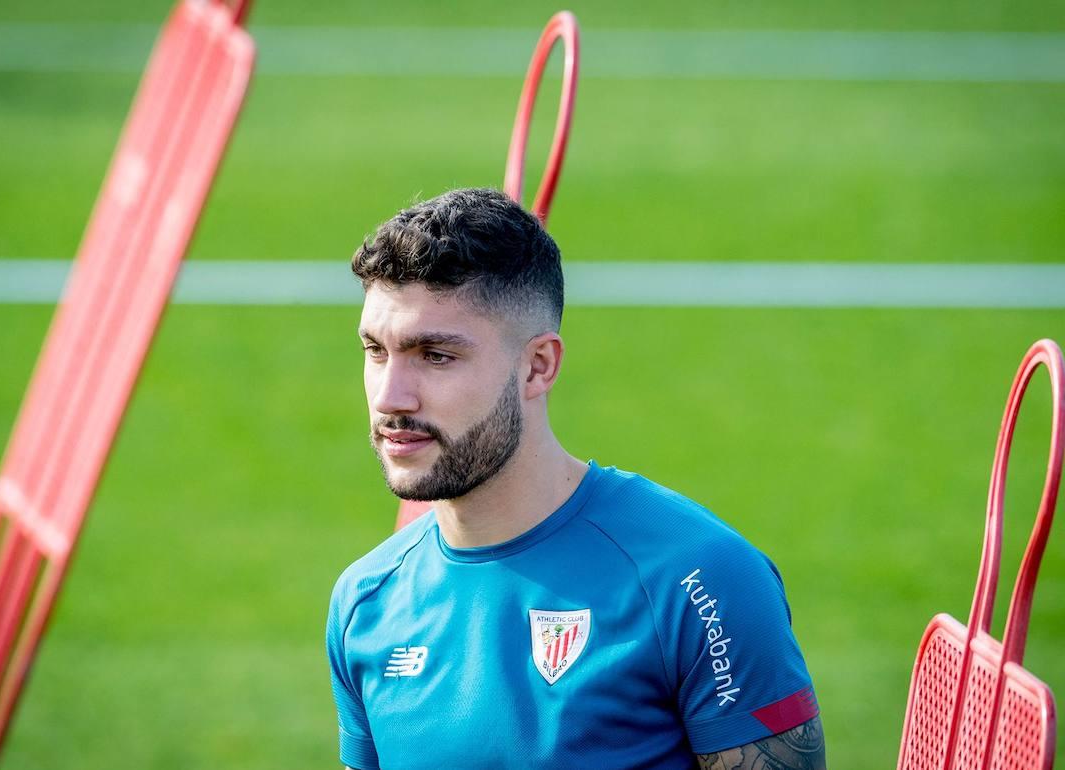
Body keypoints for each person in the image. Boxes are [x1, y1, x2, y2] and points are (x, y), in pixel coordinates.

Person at [326, 188, 825, 769]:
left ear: (538, 366)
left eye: (435, 355)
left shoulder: (700, 580)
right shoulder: (366, 601)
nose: (390, 397)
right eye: (375, 351)